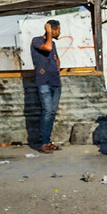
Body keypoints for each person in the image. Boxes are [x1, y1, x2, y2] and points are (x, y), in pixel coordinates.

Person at [31, 20, 62, 153]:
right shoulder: (37, 41)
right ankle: (43, 142)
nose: (60, 32)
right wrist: (48, 32)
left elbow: (56, 58)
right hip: (43, 82)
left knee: (52, 113)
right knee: (47, 111)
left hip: (55, 82)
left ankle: (47, 141)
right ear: (52, 30)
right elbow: (47, 48)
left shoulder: (53, 43)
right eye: (58, 30)